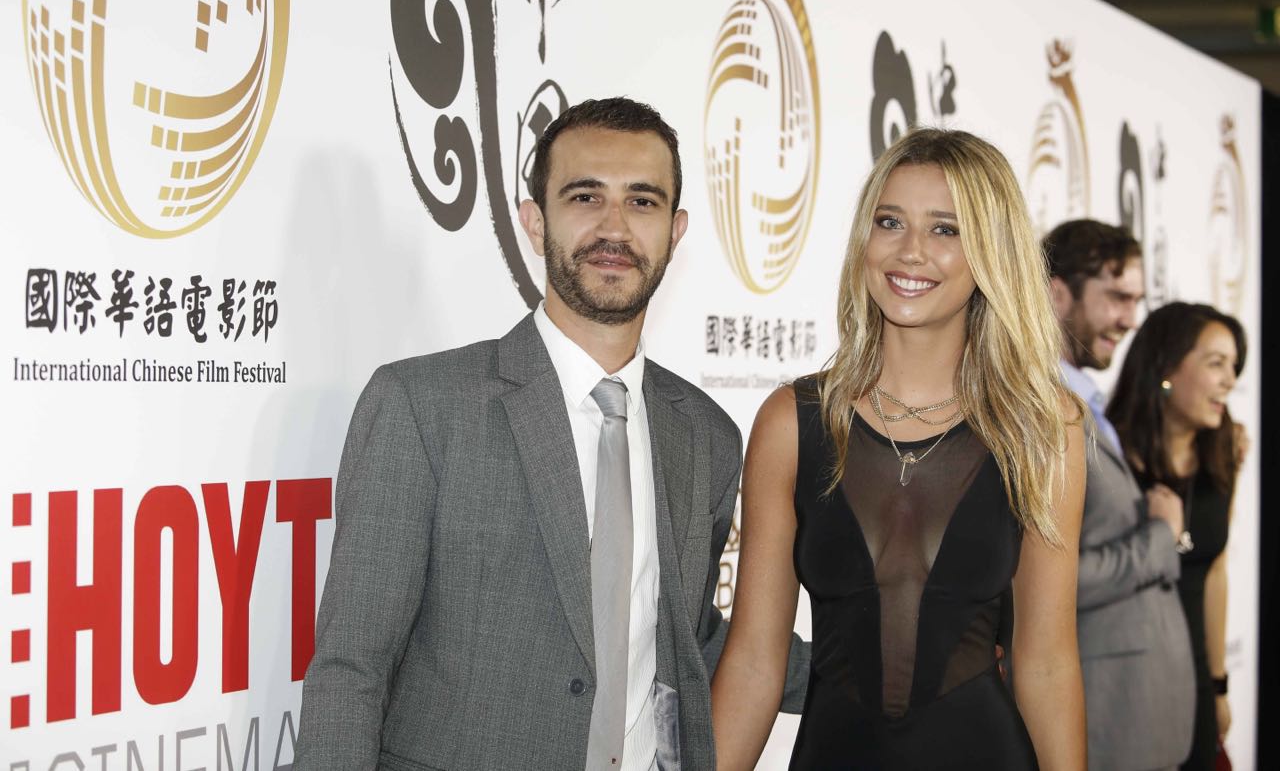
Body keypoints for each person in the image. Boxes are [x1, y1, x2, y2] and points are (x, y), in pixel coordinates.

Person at [293, 97, 806, 770]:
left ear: (676, 231)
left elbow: (679, 631)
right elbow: (351, 666)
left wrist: (878, 667)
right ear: (534, 222)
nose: (614, 227)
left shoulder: (705, 434)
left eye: (643, 202)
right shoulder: (422, 407)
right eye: (585, 196)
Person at [711, 127, 1087, 770]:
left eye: (946, 229)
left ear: (990, 252)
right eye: (891, 222)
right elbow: (752, 661)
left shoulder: (1042, 427)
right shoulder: (792, 421)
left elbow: (1047, 661)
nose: (911, 252)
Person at [1043, 220, 1195, 771]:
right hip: (1104, 723)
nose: (1131, 320)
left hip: (1141, 717)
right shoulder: (1041, 409)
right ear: (1057, 293)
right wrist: (1160, 536)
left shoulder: (1089, 402)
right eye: (1116, 298)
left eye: (1136, 301)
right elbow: (1045, 583)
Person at [1107, 302, 1247, 771]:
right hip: (1126, 687)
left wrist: (1219, 684)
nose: (1230, 380)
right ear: (1166, 367)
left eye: (1234, 365)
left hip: (1196, 687)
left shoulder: (1224, 456)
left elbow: (1214, 574)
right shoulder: (1108, 458)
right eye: (1215, 363)